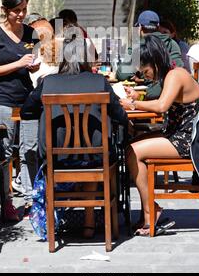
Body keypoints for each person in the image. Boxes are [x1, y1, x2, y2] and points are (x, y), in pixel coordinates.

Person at [21, 25, 128, 239]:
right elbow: (120, 117)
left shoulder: (47, 83)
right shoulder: (99, 82)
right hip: (96, 157)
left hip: (56, 159)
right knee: (92, 156)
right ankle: (91, 224)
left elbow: (26, 111)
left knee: (83, 155)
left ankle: (61, 227)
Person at [120, 35, 199, 236]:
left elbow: (161, 106)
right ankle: (149, 208)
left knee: (133, 152)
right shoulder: (172, 74)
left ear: (155, 60)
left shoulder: (176, 75)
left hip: (189, 141)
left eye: (146, 70)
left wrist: (133, 104)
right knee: (131, 144)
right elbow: (163, 99)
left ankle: (151, 212)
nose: (145, 75)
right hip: (179, 134)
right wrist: (138, 96)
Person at [0, 0, 40, 221]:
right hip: (3, 99)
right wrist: (18, 63)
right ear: (5, 10)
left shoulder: (32, 33)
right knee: (4, 153)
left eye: (24, 9)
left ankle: (32, 200)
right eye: (16, 10)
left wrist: (32, 66)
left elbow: (33, 62)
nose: (21, 14)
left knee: (32, 150)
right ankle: (6, 202)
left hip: (27, 98)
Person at [117, 10, 184, 100]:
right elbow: (177, 70)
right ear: (158, 26)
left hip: (145, 95)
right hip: (169, 95)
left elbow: (122, 74)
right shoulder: (172, 44)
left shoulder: (138, 45)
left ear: (139, 27)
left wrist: (139, 74)